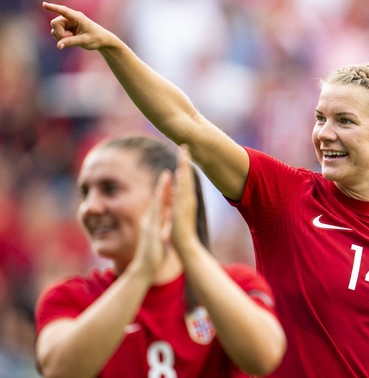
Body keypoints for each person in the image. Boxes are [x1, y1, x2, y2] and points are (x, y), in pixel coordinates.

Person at [42, 2, 369, 376]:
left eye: (345, 121)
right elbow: (187, 122)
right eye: (320, 118)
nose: (324, 134)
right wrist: (114, 49)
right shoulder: (284, 195)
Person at [34, 134, 286, 378]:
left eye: (110, 189)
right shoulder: (70, 297)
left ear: (168, 198)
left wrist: (188, 247)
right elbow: (59, 370)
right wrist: (141, 271)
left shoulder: (236, 284)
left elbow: (265, 356)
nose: (90, 207)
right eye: (85, 193)